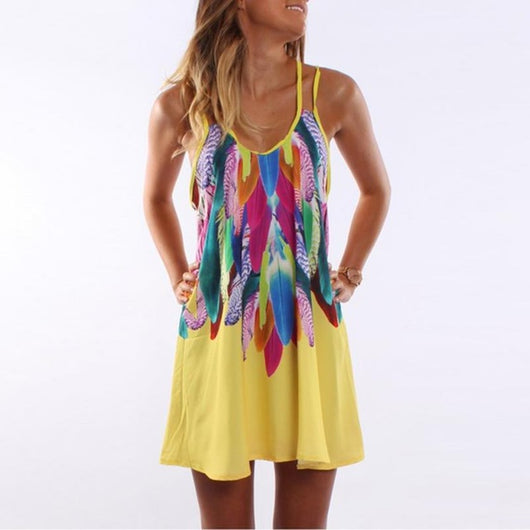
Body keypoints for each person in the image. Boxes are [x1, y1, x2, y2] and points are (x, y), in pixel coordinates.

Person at [143, 0, 391, 527]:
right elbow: (155, 198)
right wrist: (177, 274)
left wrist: (350, 271)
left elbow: (376, 189)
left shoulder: (333, 93)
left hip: (308, 331)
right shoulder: (183, 104)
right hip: (218, 329)